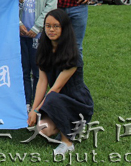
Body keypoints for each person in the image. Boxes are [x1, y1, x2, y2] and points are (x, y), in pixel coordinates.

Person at [27, 9, 93, 156]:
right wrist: (33, 109)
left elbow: (56, 88)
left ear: (64, 28)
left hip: (77, 101)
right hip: (56, 100)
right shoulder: (43, 50)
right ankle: (70, 127)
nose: (51, 30)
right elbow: (42, 82)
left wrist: (37, 110)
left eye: (56, 26)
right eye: (48, 26)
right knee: (43, 130)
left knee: (53, 97)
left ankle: (67, 143)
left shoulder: (73, 55)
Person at [17, 0, 58, 110]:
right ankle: (25, 102)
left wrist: (37, 28)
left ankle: (37, 103)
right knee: (23, 69)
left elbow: (51, 6)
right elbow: (10, 4)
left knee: (38, 70)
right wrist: (19, 23)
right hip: (20, 32)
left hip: (39, 35)